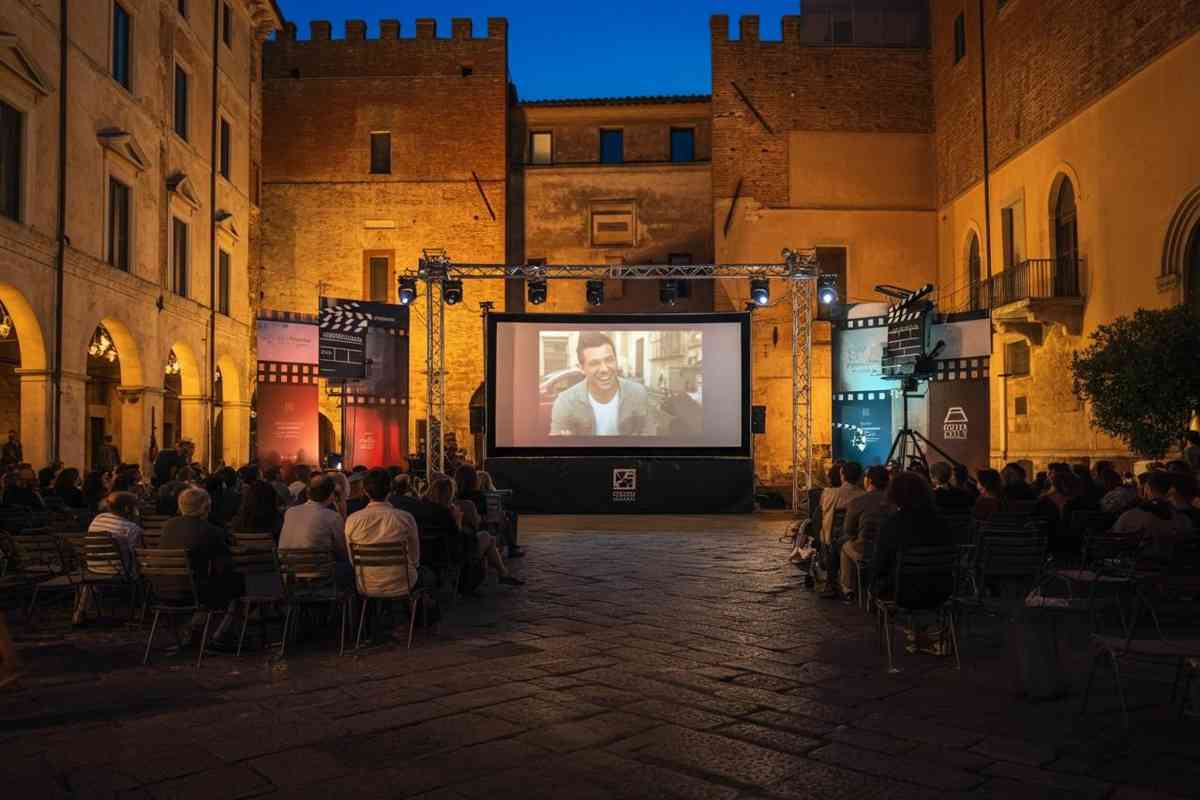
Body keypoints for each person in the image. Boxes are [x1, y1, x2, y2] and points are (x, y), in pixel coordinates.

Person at [159, 487, 245, 648]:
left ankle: (196, 630)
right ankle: (219, 634)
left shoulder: (168, 526)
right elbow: (224, 562)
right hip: (194, 591)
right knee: (238, 586)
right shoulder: (210, 530)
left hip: (162, 588)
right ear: (206, 508)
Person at [870, 472, 953, 609]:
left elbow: (880, 565)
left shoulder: (891, 525)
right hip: (942, 591)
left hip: (901, 592)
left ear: (894, 494)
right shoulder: (943, 523)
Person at [345, 468, 428, 601]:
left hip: (366, 584)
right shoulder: (405, 518)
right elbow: (414, 559)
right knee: (427, 576)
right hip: (403, 582)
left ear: (365, 491)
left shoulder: (352, 520)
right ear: (390, 489)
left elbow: (352, 560)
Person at [426, 476, 523, 588]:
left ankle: (502, 573)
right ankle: (503, 573)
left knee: (486, 537)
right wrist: (458, 521)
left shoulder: (424, 510)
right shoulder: (449, 512)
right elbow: (457, 538)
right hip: (452, 555)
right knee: (487, 536)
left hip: (429, 555)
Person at [550, 331, 652, 436]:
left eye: (609, 360)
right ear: (582, 368)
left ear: (616, 360)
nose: (604, 369)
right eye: (594, 363)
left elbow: (650, 434)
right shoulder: (565, 402)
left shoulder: (638, 393)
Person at [73, 491, 144, 625]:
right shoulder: (132, 528)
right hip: (122, 571)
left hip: (93, 567)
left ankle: (82, 610)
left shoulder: (98, 519)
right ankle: (143, 607)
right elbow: (139, 555)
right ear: (128, 508)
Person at [279, 474, 351, 586]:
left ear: (308, 493)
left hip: (290, 575)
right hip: (320, 576)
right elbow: (343, 551)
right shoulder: (332, 517)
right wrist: (343, 510)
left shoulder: (290, 512)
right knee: (351, 567)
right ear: (331, 495)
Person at [838, 466, 893, 599]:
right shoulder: (895, 501)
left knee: (845, 546)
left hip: (866, 550)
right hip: (891, 551)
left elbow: (848, 530)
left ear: (868, 481)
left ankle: (848, 588)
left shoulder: (858, 502)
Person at [1113, 471, 1194, 556]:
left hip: (1137, 566)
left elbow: (1115, 540)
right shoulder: (1184, 520)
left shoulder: (1130, 516)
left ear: (1148, 488)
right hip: (1175, 566)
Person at [818, 461, 865, 599]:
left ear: (842, 475)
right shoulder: (863, 495)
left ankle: (831, 583)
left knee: (834, 539)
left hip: (833, 536)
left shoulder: (829, 493)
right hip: (857, 537)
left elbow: (821, 513)